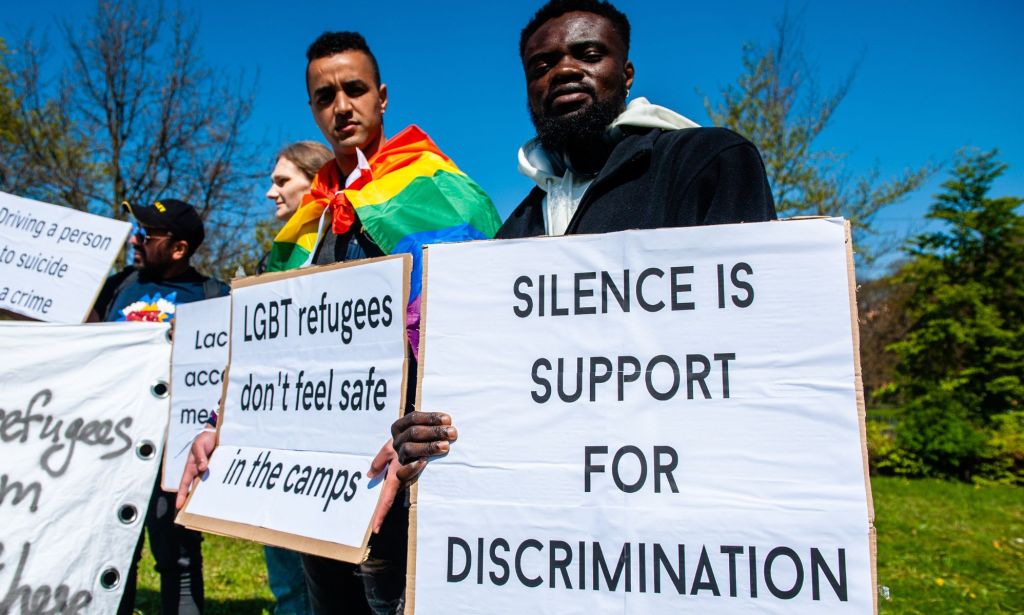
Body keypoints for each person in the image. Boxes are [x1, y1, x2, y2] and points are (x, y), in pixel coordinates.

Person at [388, 0, 777, 491]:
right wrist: (428, 428)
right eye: (542, 65)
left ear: (627, 72)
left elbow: (750, 353)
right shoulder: (514, 232)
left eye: (589, 54)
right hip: (552, 516)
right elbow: (493, 385)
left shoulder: (706, 162)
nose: (565, 70)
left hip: (678, 491)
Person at [177, 32, 500, 615]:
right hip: (316, 482)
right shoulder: (306, 221)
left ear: (381, 96)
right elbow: (268, 348)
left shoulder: (440, 188)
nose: (341, 106)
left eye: (354, 89)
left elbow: (479, 329)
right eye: (325, 96)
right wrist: (223, 428)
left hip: (405, 473)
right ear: (312, 109)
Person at [91, 198, 228, 615]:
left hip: (174, 450)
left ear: (178, 248)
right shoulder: (117, 287)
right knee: (108, 550)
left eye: (147, 235)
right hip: (108, 442)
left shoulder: (215, 297)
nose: (136, 240)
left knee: (178, 555)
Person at [261, 140, 332, 615]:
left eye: (282, 180)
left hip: (324, 446)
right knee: (286, 583)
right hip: (274, 441)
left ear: (316, 179)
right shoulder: (279, 256)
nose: (271, 192)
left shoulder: (345, 241)